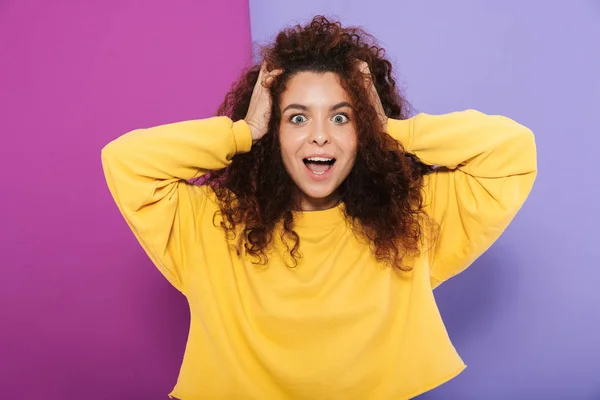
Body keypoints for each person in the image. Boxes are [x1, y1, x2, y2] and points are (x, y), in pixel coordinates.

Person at [101, 15, 537, 400]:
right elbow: (127, 160)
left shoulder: (411, 217)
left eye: (342, 117)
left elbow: (513, 152)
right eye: (297, 117)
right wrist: (244, 132)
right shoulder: (211, 222)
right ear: (273, 130)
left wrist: (389, 129)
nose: (320, 136)